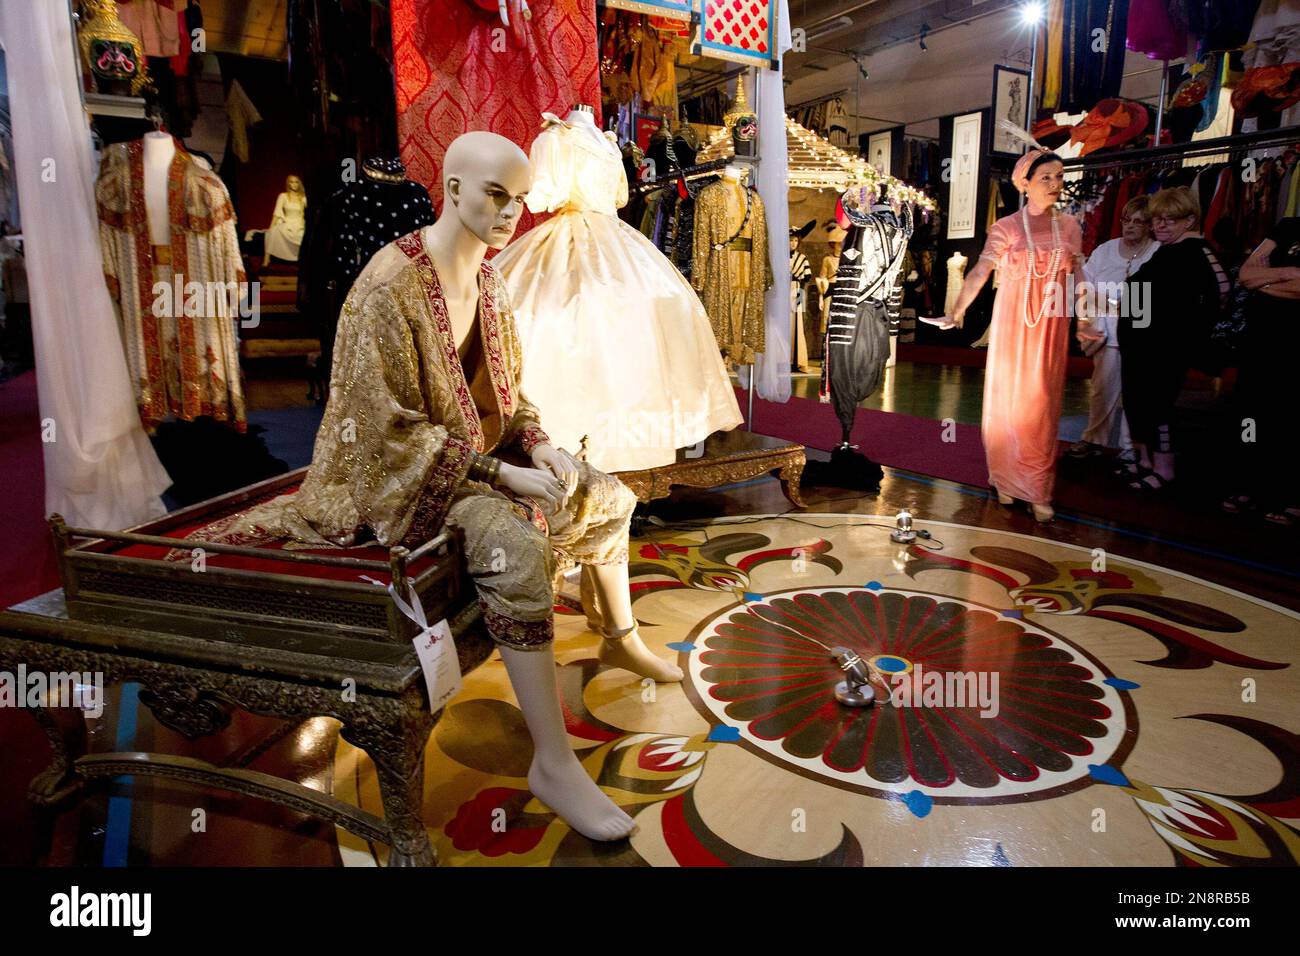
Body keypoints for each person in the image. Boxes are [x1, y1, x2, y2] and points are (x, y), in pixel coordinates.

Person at [179, 132, 682, 842]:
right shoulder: (388, 285)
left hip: (481, 459)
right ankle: (553, 760)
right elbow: (380, 431)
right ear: (452, 189)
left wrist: (540, 445)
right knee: (512, 545)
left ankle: (620, 635)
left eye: (519, 199)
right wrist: (501, 474)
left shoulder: (492, 280)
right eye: (494, 196)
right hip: (404, 484)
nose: (510, 214)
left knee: (607, 494)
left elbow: (509, 396)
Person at [926, 149, 1083, 523]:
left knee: (1041, 405)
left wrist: (1089, 317)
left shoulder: (1071, 227)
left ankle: (1038, 487)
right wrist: (958, 309)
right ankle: (1006, 480)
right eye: (1046, 177)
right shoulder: (1008, 227)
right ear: (1024, 183)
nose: (1055, 184)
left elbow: (1078, 275)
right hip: (1014, 322)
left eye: (1059, 177)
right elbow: (981, 270)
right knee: (1009, 404)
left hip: (1051, 325)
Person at [1118, 186, 1229, 492]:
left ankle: (1163, 470)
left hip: (1166, 350)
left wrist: (1175, 335)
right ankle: (1147, 463)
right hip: (1146, 347)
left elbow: (1219, 295)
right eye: (1156, 220)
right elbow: (1140, 292)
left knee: (1159, 408)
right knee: (1143, 405)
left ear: (1189, 219)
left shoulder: (1197, 252)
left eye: (1170, 219)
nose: (1160, 225)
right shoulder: (1170, 252)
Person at [1222, 216, 1300, 524]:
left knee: (1291, 418)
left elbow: (1259, 280)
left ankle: (1289, 496)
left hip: (1296, 347)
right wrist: (1290, 273)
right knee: (1250, 414)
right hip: (1261, 341)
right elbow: (1246, 275)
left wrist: (1267, 281)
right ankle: (1246, 485)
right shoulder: (1287, 227)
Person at [1069, 196, 1158, 461]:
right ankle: (1094, 439)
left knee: (1136, 392)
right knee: (1102, 388)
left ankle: (1130, 447)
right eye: (1126, 220)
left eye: (1138, 221)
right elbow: (1085, 287)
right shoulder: (1106, 250)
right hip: (1107, 330)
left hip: (1141, 330)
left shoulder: (1156, 252)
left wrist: (1115, 302)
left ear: (1149, 225)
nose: (1130, 226)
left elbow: (1150, 296)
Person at [263, 174, 307, 262]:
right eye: (292, 182)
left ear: (299, 184)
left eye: (296, 182)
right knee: (273, 231)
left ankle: (302, 259)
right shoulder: (283, 196)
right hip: (287, 222)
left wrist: (303, 225)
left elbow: (304, 214)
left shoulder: (303, 197)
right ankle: (266, 258)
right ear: (288, 184)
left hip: (299, 223)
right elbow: (277, 213)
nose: (294, 184)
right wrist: (270, 228)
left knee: (303, 235)